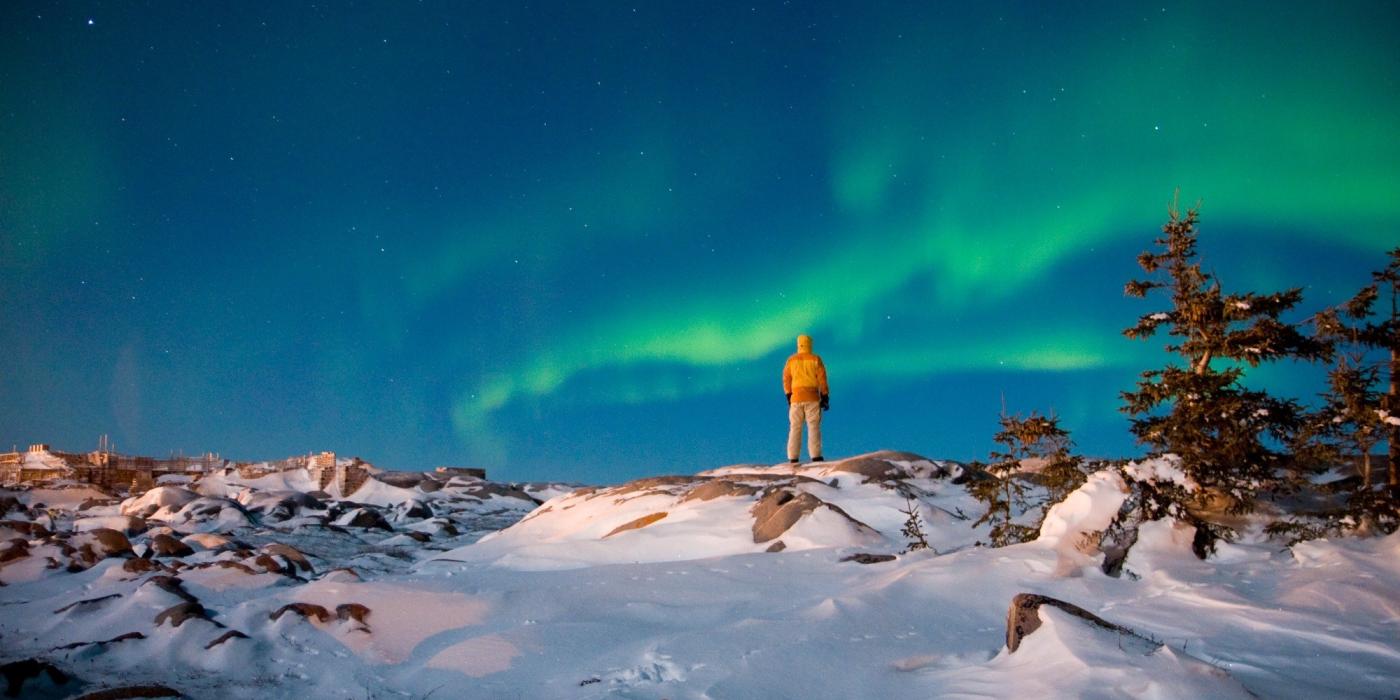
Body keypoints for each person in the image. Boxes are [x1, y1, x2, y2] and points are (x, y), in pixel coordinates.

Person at [782, 334, 829, 463]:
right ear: (810, 344)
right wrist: (824, 396)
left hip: (796, 399)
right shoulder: (815, 359)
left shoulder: (791, 360)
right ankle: (816, 456)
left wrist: (788, 394)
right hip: (812, 398)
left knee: (795, 427)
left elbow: (786, 379)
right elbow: (822, 379)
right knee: (813, 427)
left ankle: (793, 457)